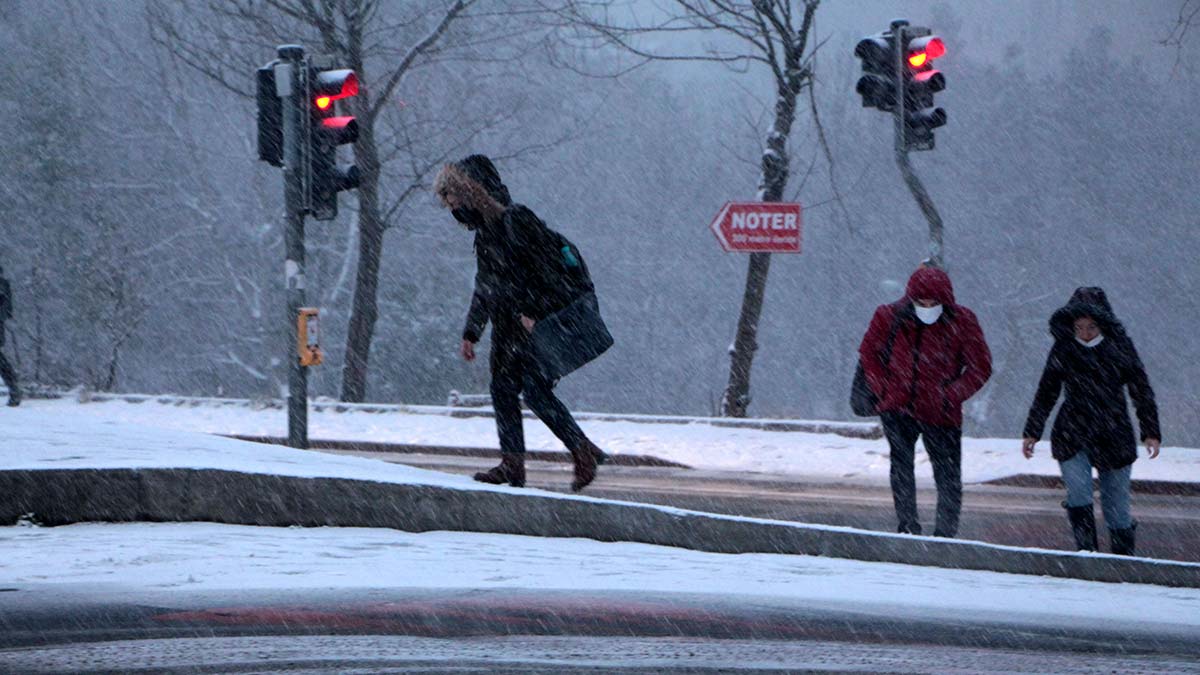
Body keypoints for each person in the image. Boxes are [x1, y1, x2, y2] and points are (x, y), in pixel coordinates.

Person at [434, 154, 606, 491]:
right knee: (502, 389)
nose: (452, 208)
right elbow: (485, 286)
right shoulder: (485, 232)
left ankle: (582, 451)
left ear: (472, 191)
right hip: (507, 324)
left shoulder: (517, 220)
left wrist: (535, 311)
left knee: (535, 390)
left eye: (453, 199)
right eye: (448, 202)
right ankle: (513, 464)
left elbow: (549, 270)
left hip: (531, 323)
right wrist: (472, 331)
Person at [1022, 287, 1160, 556]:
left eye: (1091, 327)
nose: (1085, 333)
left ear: (1103, 325)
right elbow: (1047, 391)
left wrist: (1151, 431)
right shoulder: (1064, 348)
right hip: (1072, 432)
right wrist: (1032, 431)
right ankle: (1087, 553)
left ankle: (1122, 560)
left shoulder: (1120, 347)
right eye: (1079, 327)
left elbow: (1141, 391)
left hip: (1114, 432)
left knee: (1117, 506)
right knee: (1078, 493)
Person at [858, 266, 992, 537]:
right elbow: (869, 354)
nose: (928, 308)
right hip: (899, 407)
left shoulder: (963, 321)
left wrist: (950, 395)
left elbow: (980, 366)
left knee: (948, 475)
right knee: (901, 468)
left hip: (941, 412)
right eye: (922, 302)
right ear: (911, 299)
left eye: (934, 303)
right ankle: (908, 526)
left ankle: (946, 533)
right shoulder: (889, 316)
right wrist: (886, 389)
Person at [0, 264, 20, 407]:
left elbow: (5, 309)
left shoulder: (2, 285)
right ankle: (13, 386)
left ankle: (14, 386)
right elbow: (7, 310)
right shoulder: (3, 284)